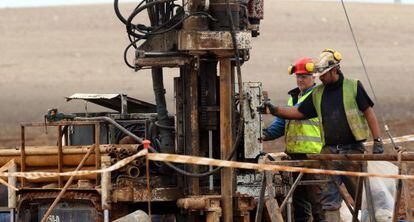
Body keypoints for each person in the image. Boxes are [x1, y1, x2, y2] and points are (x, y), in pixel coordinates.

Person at [261, 49, 384, 221]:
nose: (321, 78)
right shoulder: (318, 93)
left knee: (361, 196)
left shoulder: (353, 86)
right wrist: (275, 110)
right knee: (328, 200)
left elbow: (368, 112)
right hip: (328, 152)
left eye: (323, 74)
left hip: (352, 150)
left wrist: (378, 141)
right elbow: (298, 113)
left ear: (335, 70)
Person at [262, 57, 324, 222]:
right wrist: (261, 135)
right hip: (295, 157)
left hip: (313, 156)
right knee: (299, 202)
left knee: (317, 201)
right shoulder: (294, 98)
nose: (300, 79)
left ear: (314, 77)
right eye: (298, 76)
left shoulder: (317, 97)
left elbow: (295, 113)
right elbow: (281, 125)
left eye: (304, 76)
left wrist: (274, 109)